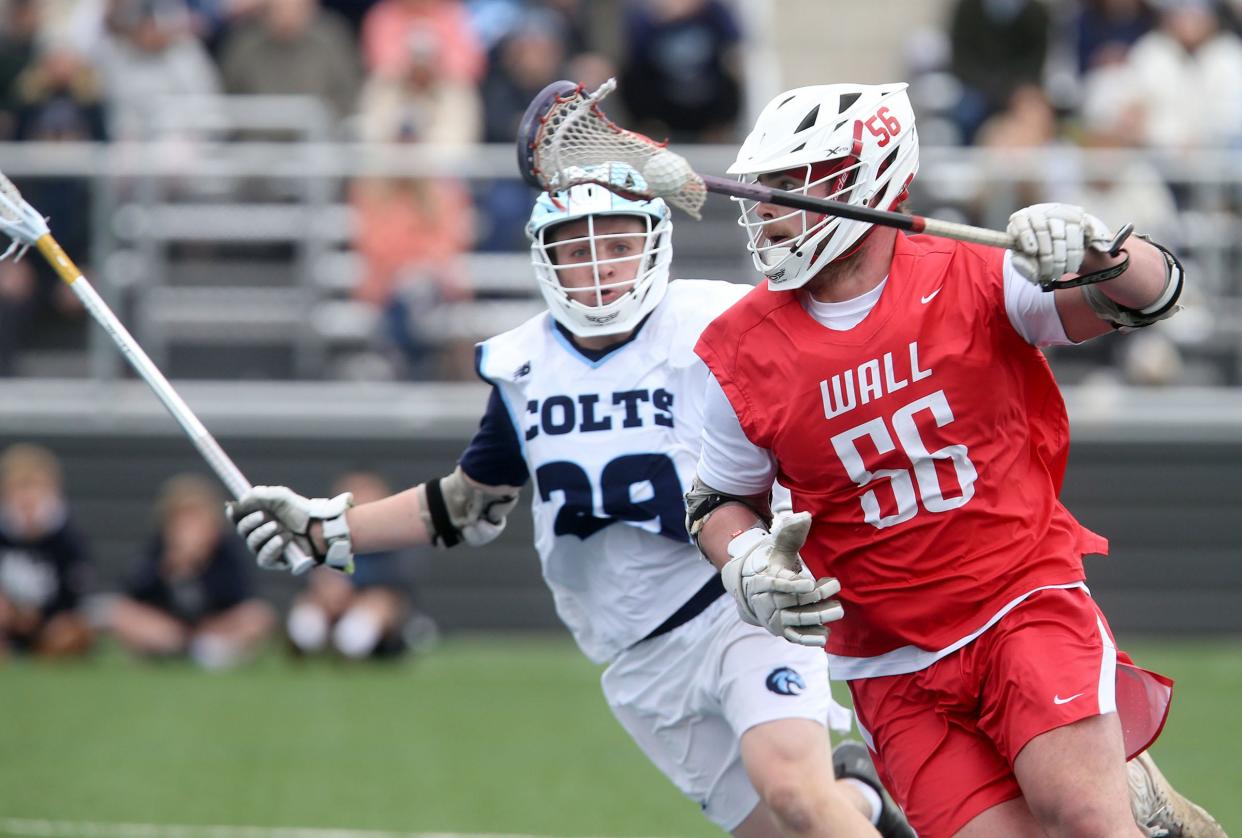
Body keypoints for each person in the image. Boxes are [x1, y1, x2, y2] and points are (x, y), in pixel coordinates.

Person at [229, 164, 913, 837]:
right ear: (545, 257)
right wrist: (327, 531)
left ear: (653, 242)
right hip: (637, 652)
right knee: (788, 824)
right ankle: (860, 799)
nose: (601, 267)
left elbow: (841, 353)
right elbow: (465, 503)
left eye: (618, 245)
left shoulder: (718, 323)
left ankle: (840, 795)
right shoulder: (526, 368)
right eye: (578, 249)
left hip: (742, 600)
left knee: (793, 790)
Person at [684, 82, 1223, 837]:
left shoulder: (976, 274)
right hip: (888, 660)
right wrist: (744, 558)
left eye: (788, 186)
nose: (766, 209)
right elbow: (717, 500)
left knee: (1085, 818)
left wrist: (1101, 250)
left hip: (1018, 601)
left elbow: (1155, 294)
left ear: (863, 179)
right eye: (762, 189)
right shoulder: (740, 348)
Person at [111, 473, 275, 669]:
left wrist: (199, 568)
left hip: (214, 629)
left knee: (258, 617)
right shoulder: (156, 551)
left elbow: (239, 598)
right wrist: (173, 571)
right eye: (182, 522)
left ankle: (209, 651)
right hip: (169, 628)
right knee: (122, 615)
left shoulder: (227, 553)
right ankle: (175, 649)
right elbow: (135, 594)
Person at [285, 470, 426, 659]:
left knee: (377, 605)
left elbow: (398, 580)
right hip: (331, 603)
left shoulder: (396, 538)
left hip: (374, 605)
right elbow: (307, 570)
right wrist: (327, 586)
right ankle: (309, 644)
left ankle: (351, 647)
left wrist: (355, 592)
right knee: (310, 607)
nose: (360, 498)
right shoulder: (324, 534)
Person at [0, 443, 94, 658]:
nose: (27, 498)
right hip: (8, 621)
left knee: (73, 632)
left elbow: (75, 593)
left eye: (34, 488)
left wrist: (45, 616)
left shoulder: (68, 539)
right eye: (19, 489)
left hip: (49, 622)